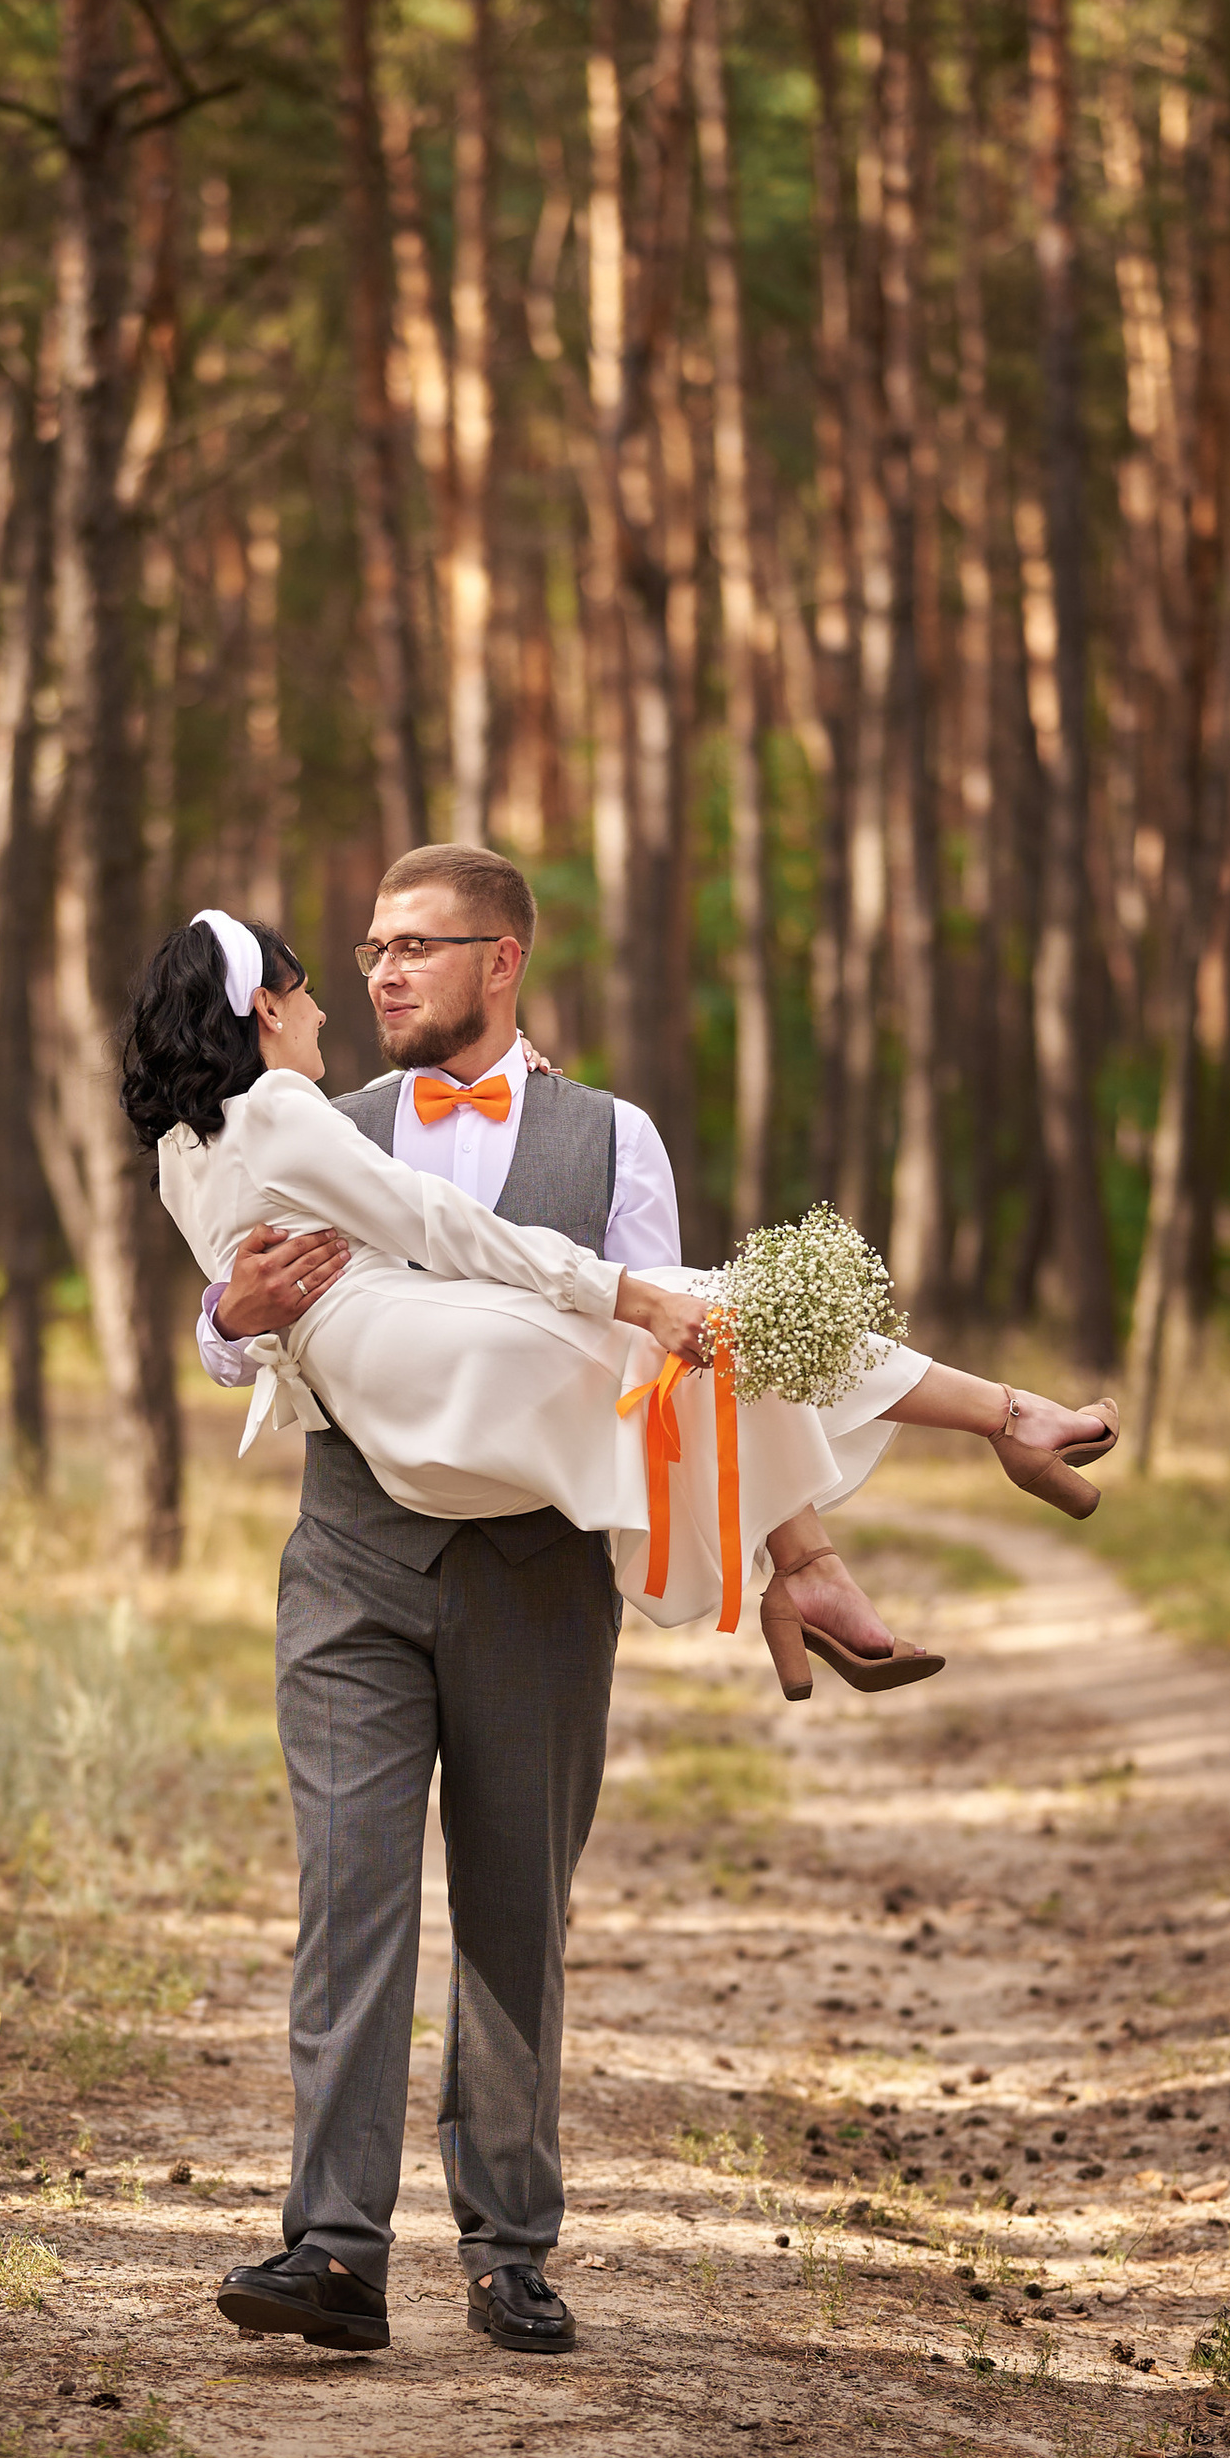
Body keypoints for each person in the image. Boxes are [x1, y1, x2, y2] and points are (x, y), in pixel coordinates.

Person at [130, 845, 1113, 2363]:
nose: (380, 971)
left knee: (520, 1917)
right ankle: (334, 2248)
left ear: (502, 958)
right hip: (353, 1559)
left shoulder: (616, 1139)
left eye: (415, 946)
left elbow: (674, 1383)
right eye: (366, 948)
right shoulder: (325, 1116)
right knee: (348, 1901)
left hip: (533, 1566)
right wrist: (222, 1314)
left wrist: (789, 1546)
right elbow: (241, 1301)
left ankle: (511, 2248)